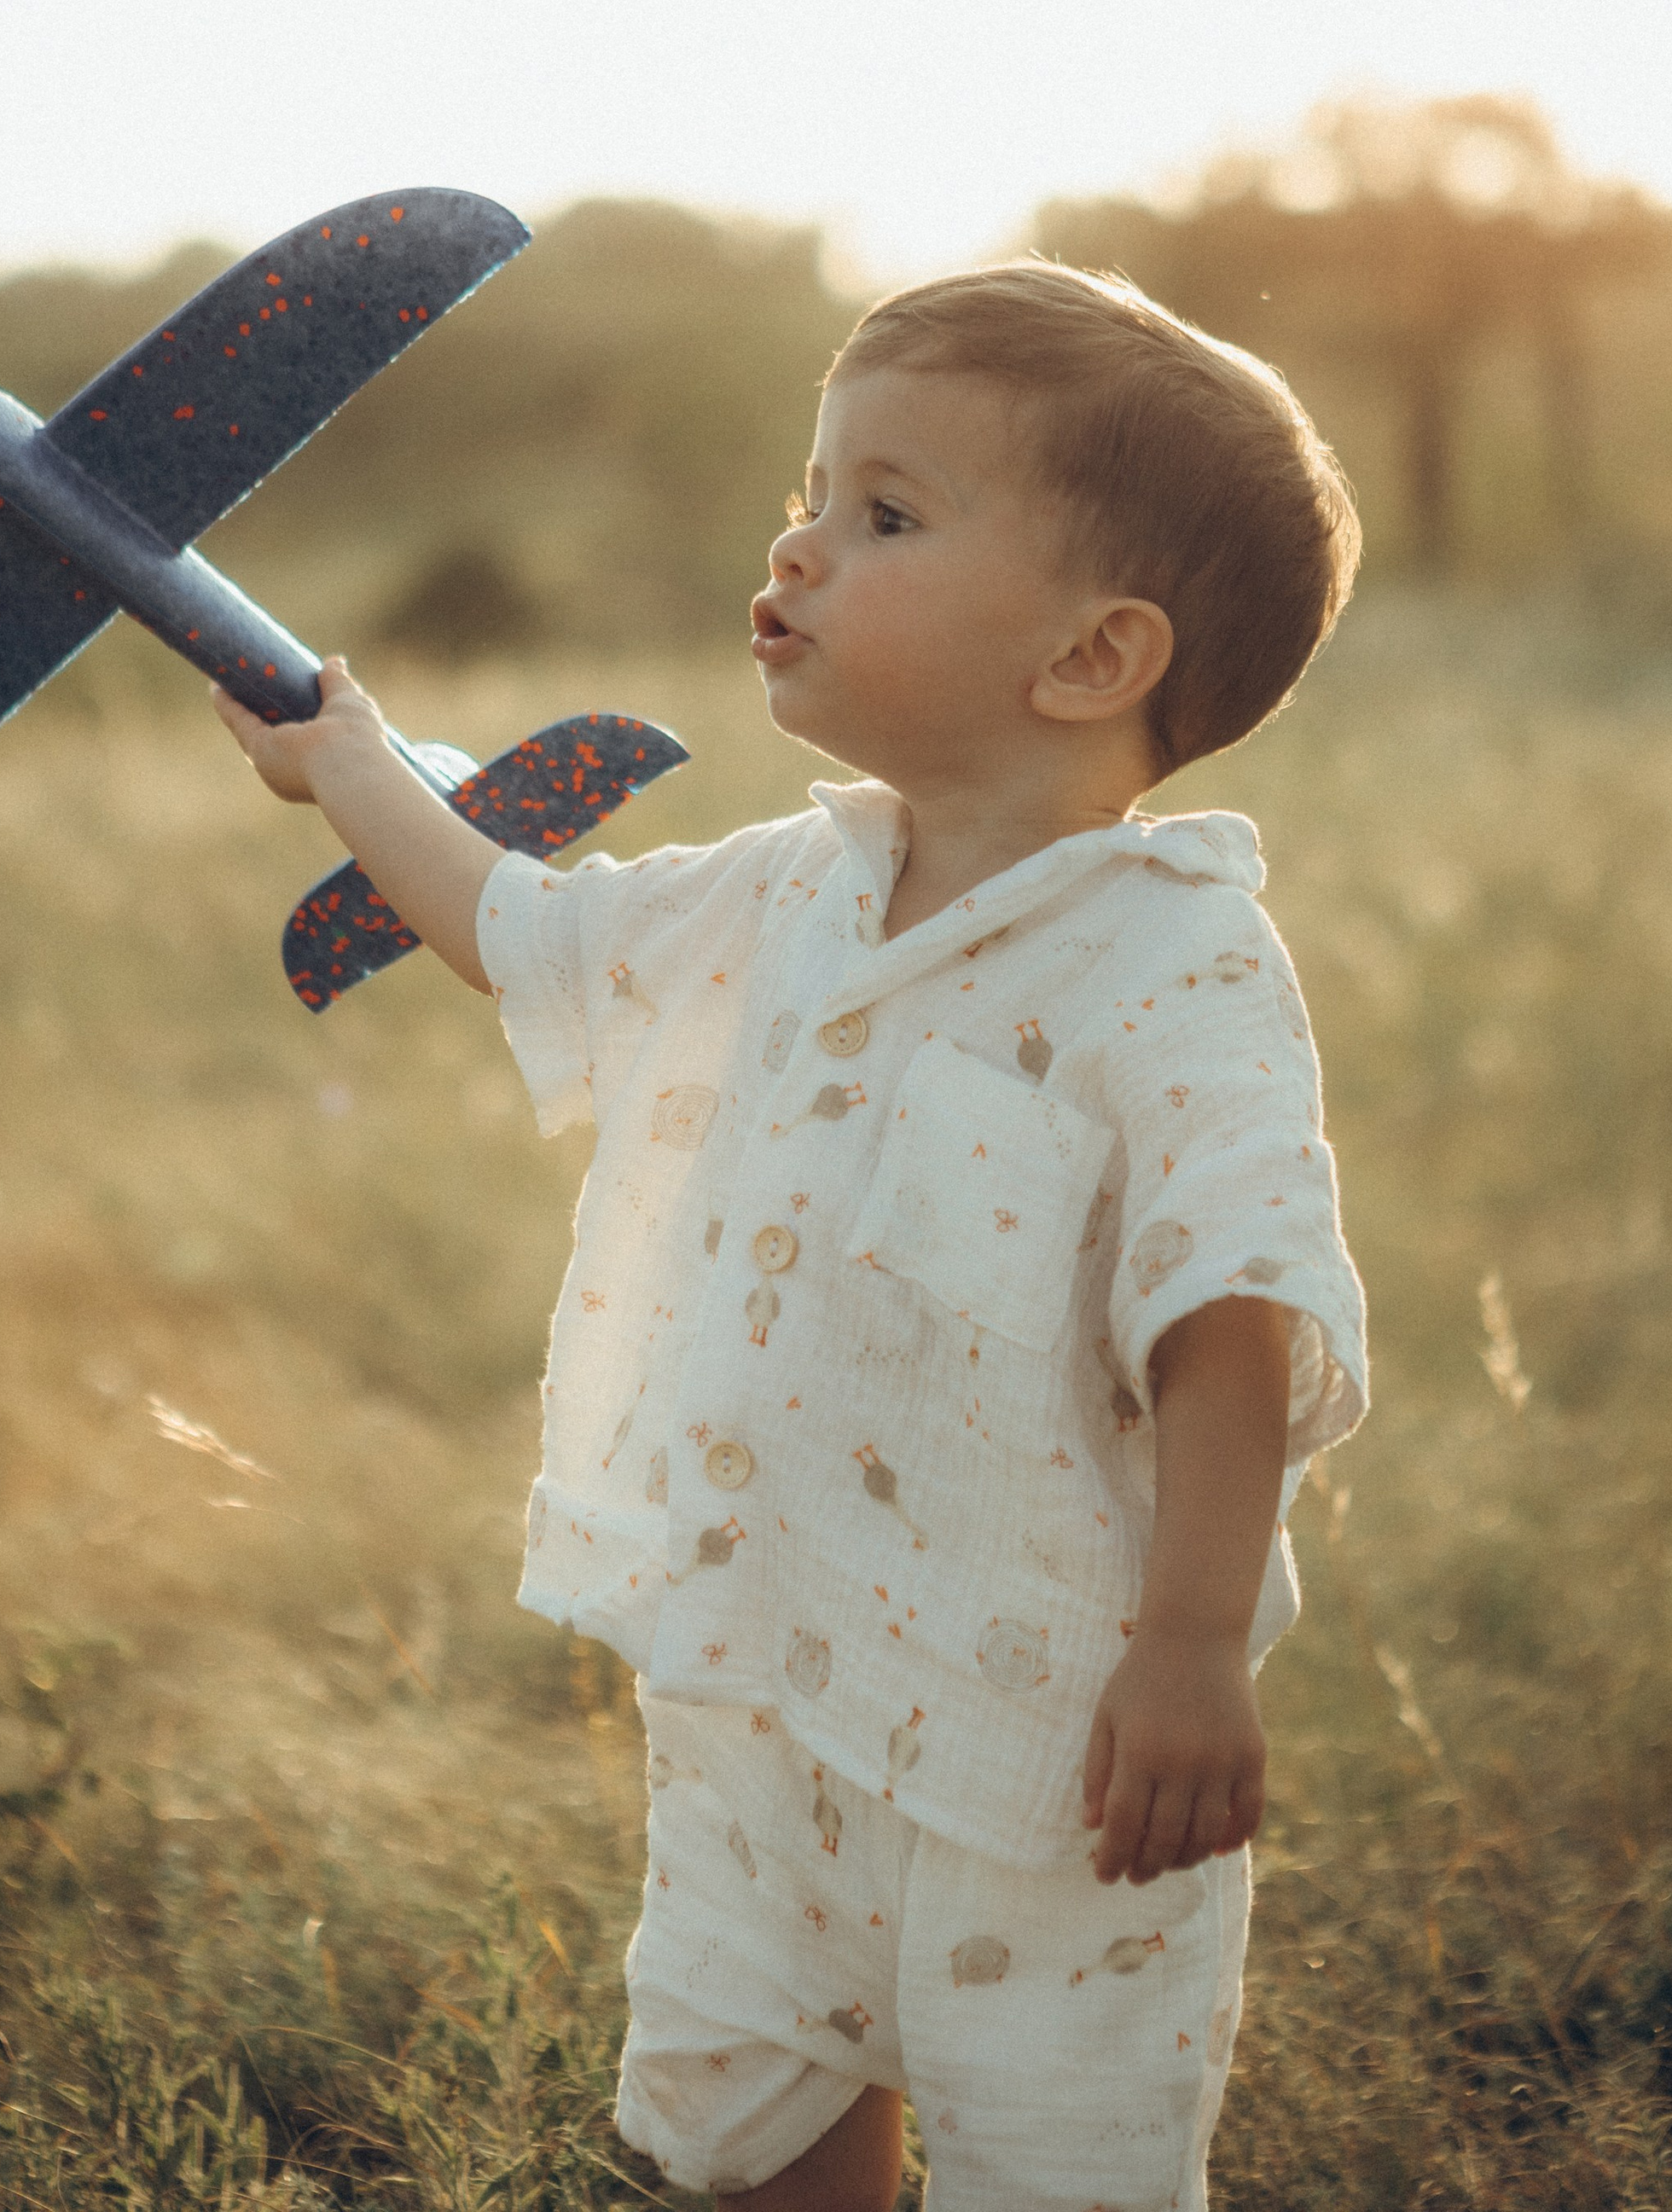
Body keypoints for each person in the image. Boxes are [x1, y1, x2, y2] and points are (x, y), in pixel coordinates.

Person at [213, 259, 1368, 2212]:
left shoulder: (1174, 963)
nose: (799, 545)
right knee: (748, 2126)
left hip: (1046, 1760)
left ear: (1091, 656)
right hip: (762, 1692)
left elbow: (1226, 1305)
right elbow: (528, 933)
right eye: (808, 492)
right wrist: (346, 766)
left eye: (884, 516)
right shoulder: (783, 891)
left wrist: (1189, 1646)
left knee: (1057, 2167)